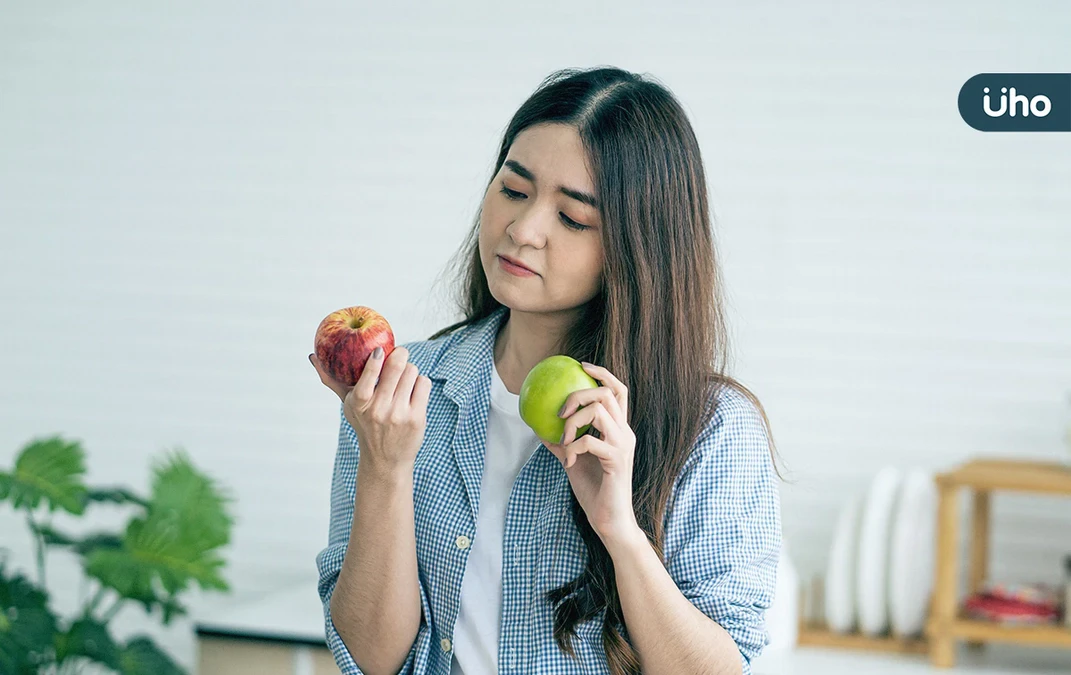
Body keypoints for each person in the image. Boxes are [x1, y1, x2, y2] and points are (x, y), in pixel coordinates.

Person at [310, 65, 783, 675]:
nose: (523, 230)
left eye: (573, 218)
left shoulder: (711, 428)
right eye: (513, 189)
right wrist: (384, 468)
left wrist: (619, 528)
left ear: (639, 247)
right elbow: (372, 660)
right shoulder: (397, 395)